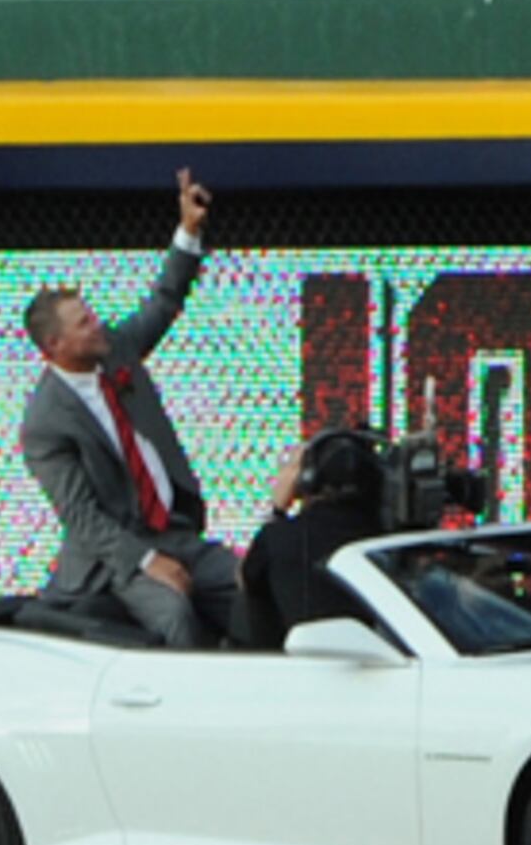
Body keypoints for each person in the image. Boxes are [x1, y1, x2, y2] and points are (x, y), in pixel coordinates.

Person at [20, 171, 240, 647]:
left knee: (251, 587)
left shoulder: (115, 351)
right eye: (85, 323)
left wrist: (189, 231)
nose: (98, 324)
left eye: (93, 314)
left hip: (175, 532)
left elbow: (164, 301)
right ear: (55, 345)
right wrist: (147, 562)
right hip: (116, 556)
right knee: (175, 614)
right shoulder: (45, 423)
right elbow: (83, 517)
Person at [234, 426, 391, 652]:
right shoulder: (387, 544)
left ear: (306, 480)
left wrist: (278, 510)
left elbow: (245, 579)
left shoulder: (278, 538)